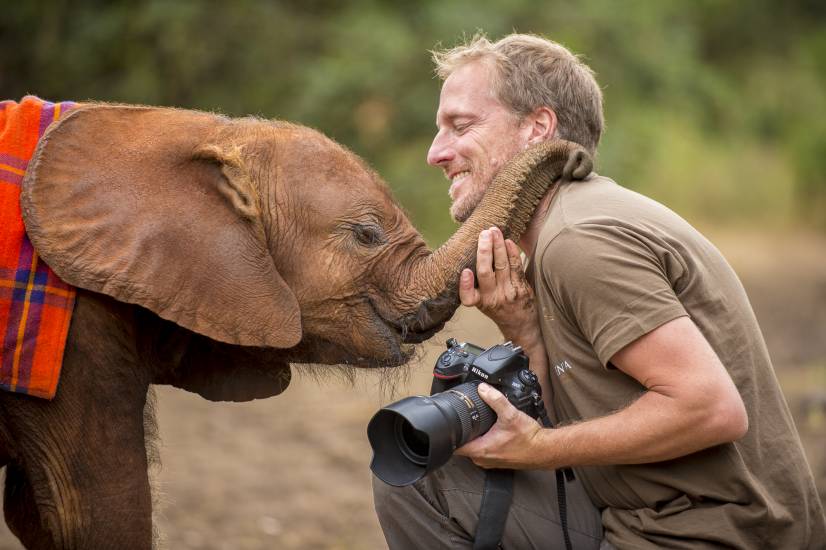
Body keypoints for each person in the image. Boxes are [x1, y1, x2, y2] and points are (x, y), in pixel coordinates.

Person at [372, 33, 826, 549]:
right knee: (418, 463)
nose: (436, 153)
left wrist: (539, 447)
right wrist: (523, 329)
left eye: (461, 125)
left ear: (536, 129)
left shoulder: (580, 241)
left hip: (709, 534)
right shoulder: (566, 227)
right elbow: (595, 408)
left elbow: (710, 408)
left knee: (423, 486)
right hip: (636, 515)